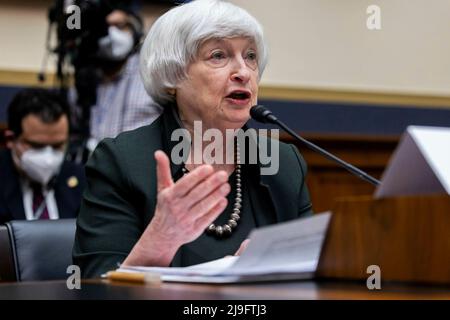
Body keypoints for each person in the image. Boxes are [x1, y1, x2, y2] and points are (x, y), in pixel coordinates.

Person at [73, 0, 313, 278]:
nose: (244, 72)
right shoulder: (121, 161)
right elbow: (96, 286)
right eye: (218, 56)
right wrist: (162, 238)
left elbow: (311, 275)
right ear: (173, 76)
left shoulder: (284, 164)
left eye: (250, 56)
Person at [69, 6, 162, 154]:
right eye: (105, 28)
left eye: (120, 26)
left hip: (140, 168)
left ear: (135, 31)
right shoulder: (83, 79)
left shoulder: (154, 74)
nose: (112, 34)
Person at [0, 88, 86, 223]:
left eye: (57, 146)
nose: (48, 158)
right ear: (10, 139)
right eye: (37, 146)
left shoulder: (84, 181)